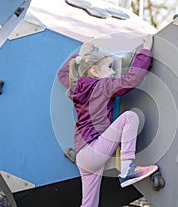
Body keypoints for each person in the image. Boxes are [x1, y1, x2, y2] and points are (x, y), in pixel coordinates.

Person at [58, 34, 158, 207]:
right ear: (94, 71)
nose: (113, 72)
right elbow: (131, 80)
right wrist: (145, 51)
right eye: (110, 67)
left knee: (89, 204)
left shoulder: (77, 86)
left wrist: (80, 55)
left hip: (83, 155)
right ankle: (127, 169)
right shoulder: (103, 86)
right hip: (94, 150)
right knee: (129, 117)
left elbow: (62, 74)